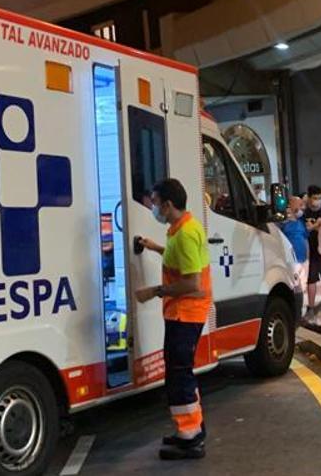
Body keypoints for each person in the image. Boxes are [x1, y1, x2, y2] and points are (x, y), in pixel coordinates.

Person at [134, 178, 212, 460]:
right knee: (181, 371)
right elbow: (180, 260)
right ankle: (191, 429)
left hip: (186, 313)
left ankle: (189, 436)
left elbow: (193, 284)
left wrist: (154, 291)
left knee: (179, 373)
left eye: (155, 203)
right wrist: (155, 247)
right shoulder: (182, 229)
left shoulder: (185, 234)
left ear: (168, 205)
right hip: (183, 312)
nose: (153, 207)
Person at [304, 186, 321, 305]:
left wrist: (313, 227)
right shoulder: (305, 212)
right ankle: (311, 306)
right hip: (310, 249)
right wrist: (317, 226)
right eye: (315, 198)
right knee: (311, 278)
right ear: (309, 198)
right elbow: (306, 228)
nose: (317, 201)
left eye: (319, 198)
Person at [278, 198, 309, 308]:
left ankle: (302, 309)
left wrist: (307, 257)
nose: (302, 208)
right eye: (299, 205)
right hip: (291, 260)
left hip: (303, 259)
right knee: (295, 287)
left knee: (303, 287)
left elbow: (305, 239)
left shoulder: (300, 223)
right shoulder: (283, 224)